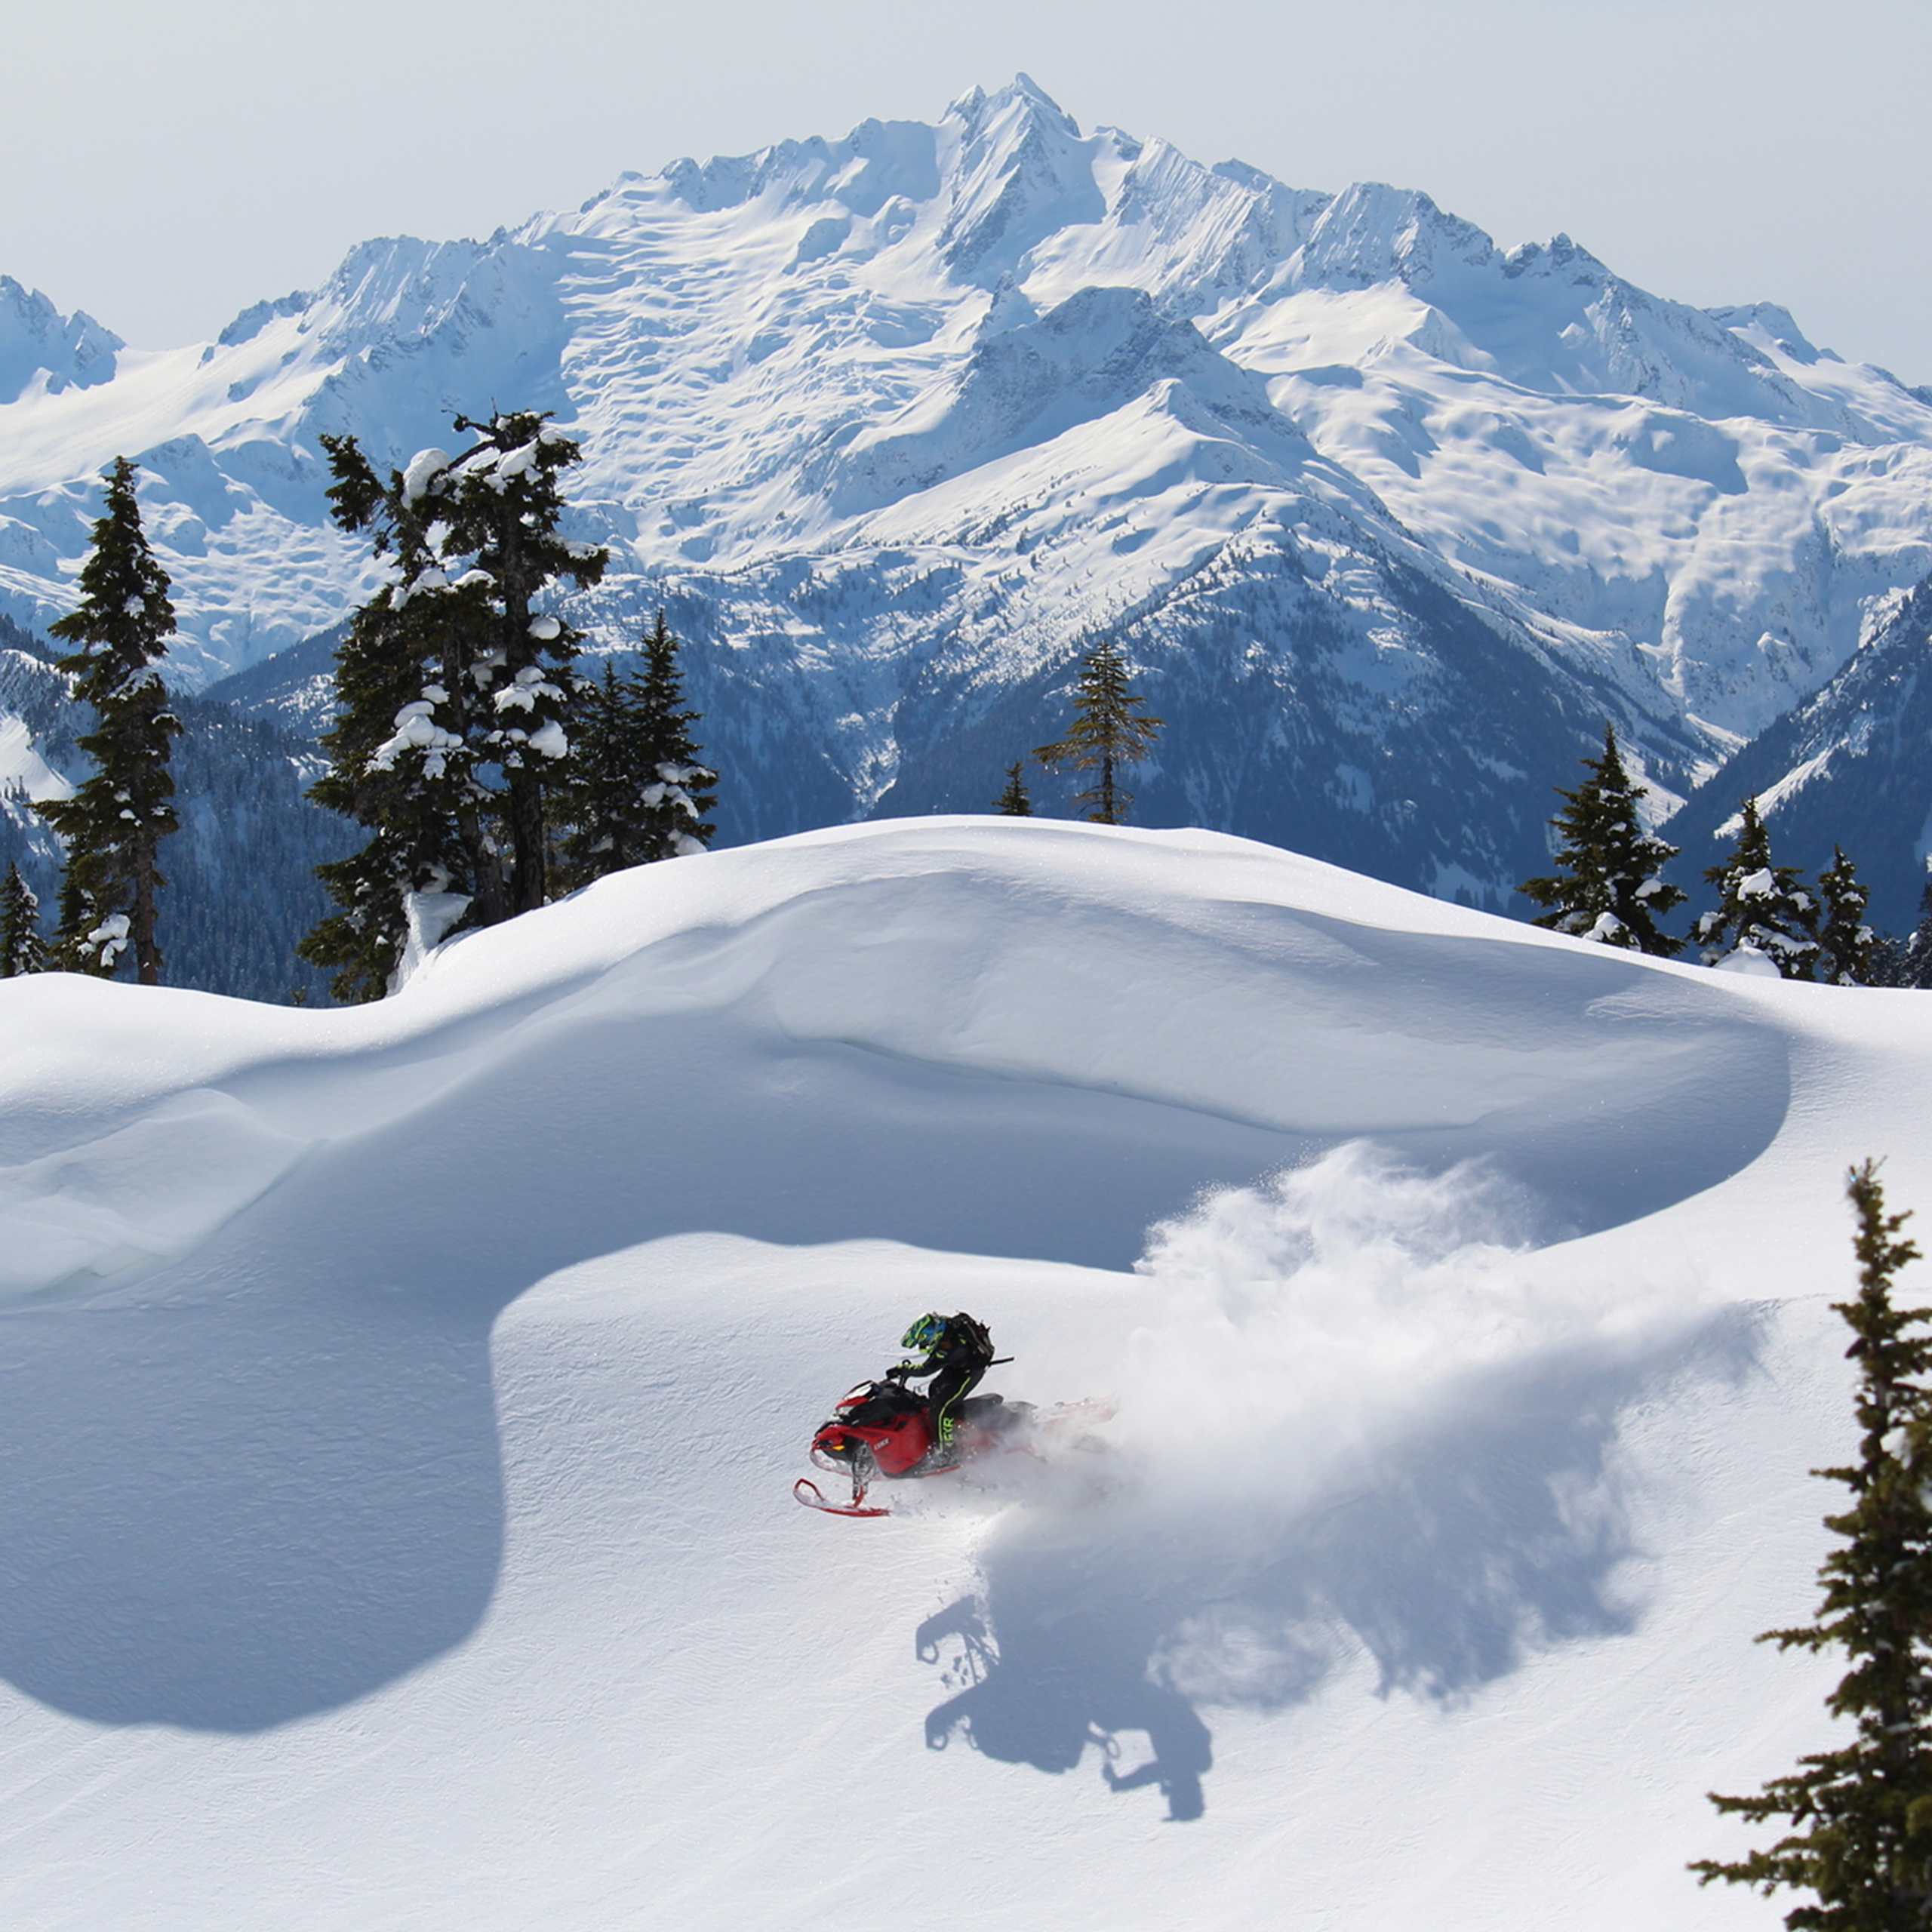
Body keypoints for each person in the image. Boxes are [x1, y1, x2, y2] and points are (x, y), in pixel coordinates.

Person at [894, 1312, 995, 1468]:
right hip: (958, 1366)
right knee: (935, 1389)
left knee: (941, 1408)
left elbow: (926, 1369)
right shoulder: (948, 1328)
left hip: (969, 1372)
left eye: (926, 1340)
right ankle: (951, 1428)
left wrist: (903, 1370)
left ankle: (949, 1453)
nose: (927, 1344)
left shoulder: (948, 1345)